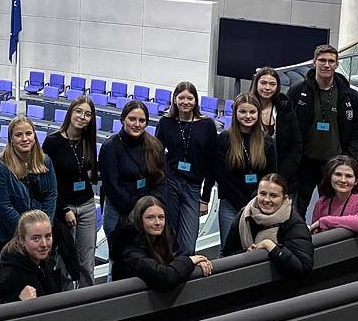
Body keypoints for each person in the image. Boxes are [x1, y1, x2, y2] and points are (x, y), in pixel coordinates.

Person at [288, 45, 358, 219]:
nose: (326, 65)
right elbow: (287, 127)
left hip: (336, 164)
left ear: (337, 64)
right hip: (305, 163)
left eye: (331, 61)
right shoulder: (297, 91)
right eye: (322, 60)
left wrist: (349, 156)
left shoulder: (349, 95)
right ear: (314, 62)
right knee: (297, 208)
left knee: (334, 209)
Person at [0, 116, 57, 285]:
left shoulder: (45, 161)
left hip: (35, 241)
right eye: (18, 135)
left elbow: (51, 195)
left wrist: (42, 230)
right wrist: (26, 235)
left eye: (28, 133)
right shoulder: (0, 167)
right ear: (11, 139)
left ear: (34, 136)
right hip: (4, 240)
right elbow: (4, 206)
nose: (25, 138)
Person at [42, 95, 99, 288]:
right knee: (65, 263)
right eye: (79, 112)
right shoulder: (53, 142)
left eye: (88, 114)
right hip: (64, 208)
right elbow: (48, 183)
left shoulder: (88, 141)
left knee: (87, 263)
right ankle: (66, 301)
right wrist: (64, 209)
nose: (82, 117)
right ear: (70, 113)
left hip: (87, 205)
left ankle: (89, 301)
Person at [205, 93, 277, 243]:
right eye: (243, 111)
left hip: (258, 204)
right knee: (229, 248)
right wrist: (205, 198)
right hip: (230, 204)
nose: (248, 116)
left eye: (252, 112)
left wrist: (256, 201)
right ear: (235, 113)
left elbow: (270, 176)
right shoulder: (224, 139)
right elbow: (219, 174)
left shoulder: (267, 142)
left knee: (254, 248)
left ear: (258, 113)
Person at [155, 81, 216, 255]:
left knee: (188, 245)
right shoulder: (166, 122)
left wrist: (205, 199)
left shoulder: (207, 125)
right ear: (175, 99)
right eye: (181, 98)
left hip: (193, 186)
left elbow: (212, 163)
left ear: (196, 101)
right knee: (169, 237)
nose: (185, 102)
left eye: (190, 98)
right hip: (170, 182)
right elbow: (156, 154)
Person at [219, 173, 314, 277]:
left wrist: (270, 246)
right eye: (263, 194)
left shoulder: (293, 222)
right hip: (248, 280)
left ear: (284, 198)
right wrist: (247, 254)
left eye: (273, 195)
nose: (266, 200)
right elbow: (227, 255)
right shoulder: (244, 216)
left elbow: (303, 268)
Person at [109, 195, 212, 290]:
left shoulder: (163, 239)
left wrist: (194, 264)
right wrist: (189, 261)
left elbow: (173, 265)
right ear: (139, 219)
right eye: (150, 218)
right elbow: (165, 277)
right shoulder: (128, 249)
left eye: (161, 217)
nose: (157, 222)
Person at [98, 100, 166, 237]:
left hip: (147, 211)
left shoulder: (155, 146)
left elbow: (160, 179)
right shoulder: (110, 147)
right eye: (132, 119)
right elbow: (112, 187)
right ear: (123, 119)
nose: (137, 124)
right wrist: (138, 206)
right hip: (118, 211)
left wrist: (150, 206)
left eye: (142, 120)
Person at [0, 210, 61, 305]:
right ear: (22, 240)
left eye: (48, 236)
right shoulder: (9, 276)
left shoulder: (48, 264)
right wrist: (18, 301)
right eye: (36, 238)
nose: (44, 244)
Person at [251, 67, 302, 187]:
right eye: (263, 83)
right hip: (252, 175)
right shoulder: (246, 108)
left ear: (277, 86)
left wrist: (281, 176)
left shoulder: (285, 109)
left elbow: (295, 145)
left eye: (272, 84)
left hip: (282, 175)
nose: (267, 88)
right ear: (256, 84)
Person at [310, 155, 358, 235]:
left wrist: (326, 221)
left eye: (349, 176)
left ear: (356, 181)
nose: (343, 180)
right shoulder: (322, 202)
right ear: (330, 177)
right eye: (338, 174)